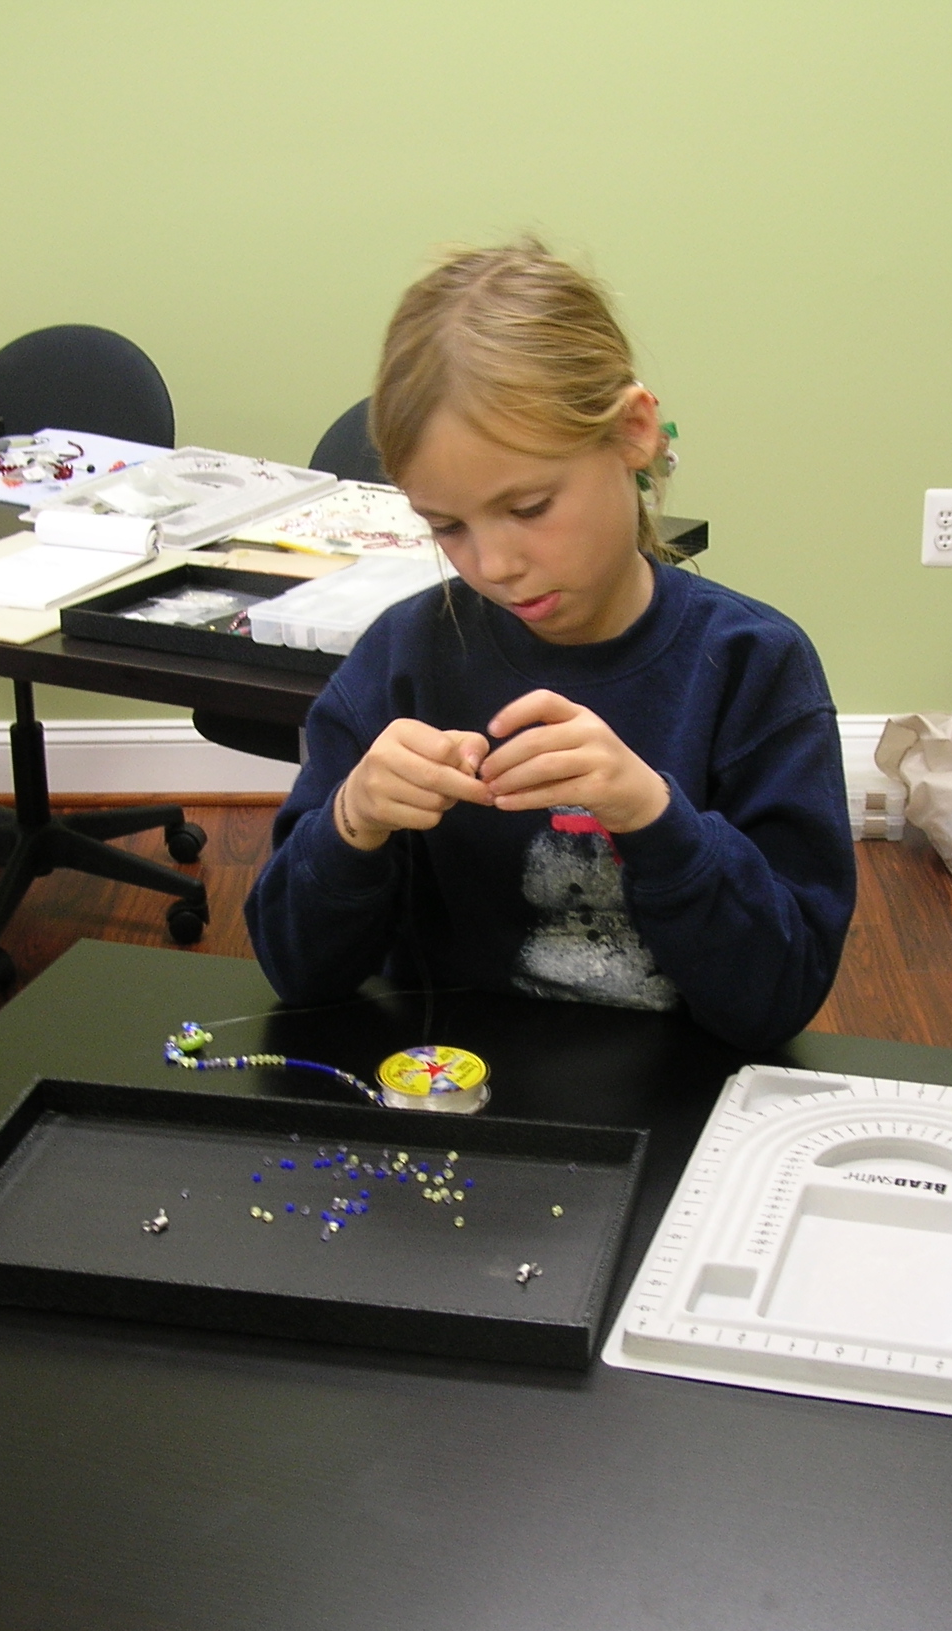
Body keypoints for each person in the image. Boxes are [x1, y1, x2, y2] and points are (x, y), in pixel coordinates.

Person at [246, 240, 854, 1050]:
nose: (493, 565)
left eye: (529, 507)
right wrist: (350, 825)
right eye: (448, 527)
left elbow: (778, 998)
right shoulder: (402, 661)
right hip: (452, 1095)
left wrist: (652, 815)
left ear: (634, 432)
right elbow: (298, 974)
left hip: (685, 1104)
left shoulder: (752, 667)